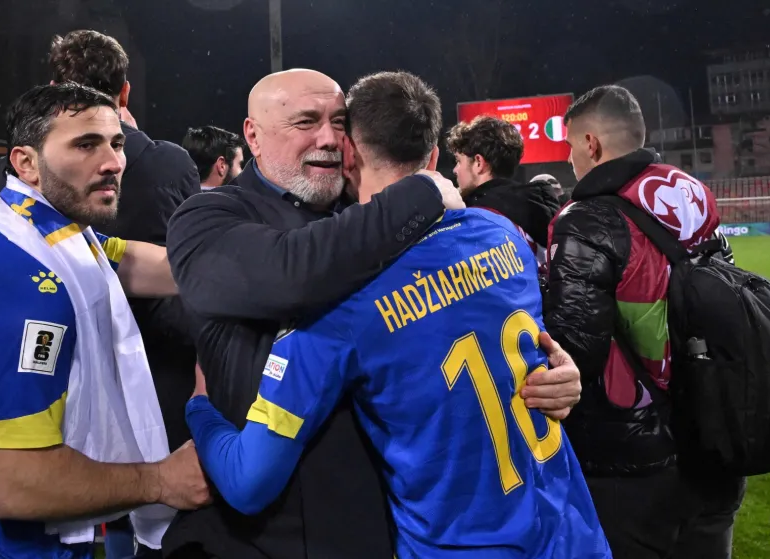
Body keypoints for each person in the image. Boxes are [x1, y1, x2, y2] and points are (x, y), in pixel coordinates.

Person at [185, 70, 604, 559]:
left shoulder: (337, 302)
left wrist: (198, 408)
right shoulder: (500, 233)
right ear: (432, 158)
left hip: (459, 546)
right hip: (571, 533)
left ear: (349, 154)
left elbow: (248, 483)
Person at [0, 83, 211, 559]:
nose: (113, 163)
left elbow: (133, 263)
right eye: (86, 144)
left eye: (116, 143)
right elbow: (14, 484)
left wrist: (265, 270)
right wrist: (162, 479)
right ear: (25, 164)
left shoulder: (39, 231)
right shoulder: (25, 286)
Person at [544, 84, 744, 559]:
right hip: (716, 432)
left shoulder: (585, 217)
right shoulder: (692, 192)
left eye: (572, 146)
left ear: (591, 144)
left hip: (632, 461)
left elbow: (576, 351)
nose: (571, 160)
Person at [47, 30, 202, 557]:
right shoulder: (166, 161)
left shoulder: (28, 170)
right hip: (159, 352)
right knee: (165, 499)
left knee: (89, 496)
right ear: (126, 93)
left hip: (68, 354)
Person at [447, 116, 561, 271]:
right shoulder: (542, 208)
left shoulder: (472, 219)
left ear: (479, 163)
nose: (455, 169)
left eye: (459, 161)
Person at [181, 126, 247, 190]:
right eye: (240, 165)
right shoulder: (236, 200)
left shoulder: (176, 198)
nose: (242, 172)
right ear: (222, 166)